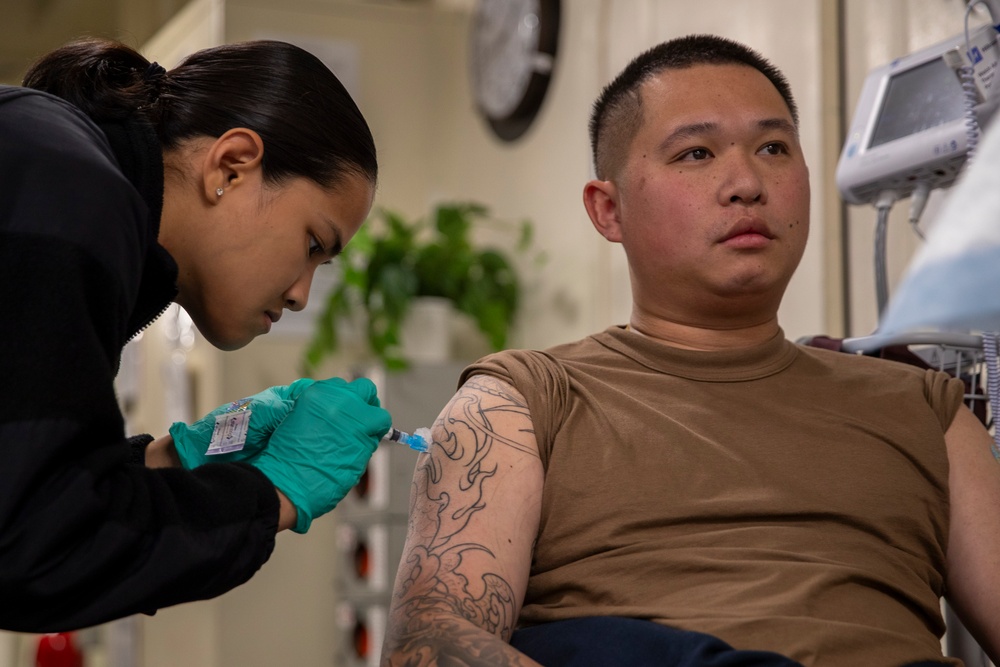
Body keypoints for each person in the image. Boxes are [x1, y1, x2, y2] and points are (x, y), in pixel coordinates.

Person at [381, 34, 1000, 666]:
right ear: (608, 209)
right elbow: (426, 644)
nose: (746, 183)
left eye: (774, 148)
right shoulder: (525, 401)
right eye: (696, 152)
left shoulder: (928, 410)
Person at [0, 38, 392, 631]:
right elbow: (37, 548)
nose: (300, 295)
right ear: (231, 166)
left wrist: (173, 460)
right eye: (314, 245)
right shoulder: (74, 189)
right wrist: (273, 490)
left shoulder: (61, 171)